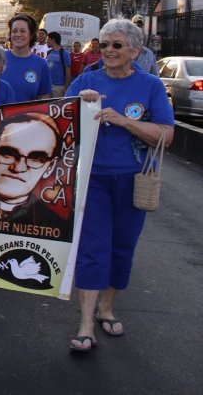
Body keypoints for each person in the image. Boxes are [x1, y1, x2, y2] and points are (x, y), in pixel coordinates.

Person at [65, 19, 174, 354]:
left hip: (133, 179)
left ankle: (106, 307)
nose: (108, 51)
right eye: (103, 45)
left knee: (122, 247)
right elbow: (58, 122)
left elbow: (166, 136)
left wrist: (125, 121)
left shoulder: (151, 86)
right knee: (92, 248)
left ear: (134, 51)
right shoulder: (86, 80)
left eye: (116, 45)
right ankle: (85, 325)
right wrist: (79, 106)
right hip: (93, 179)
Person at [0, 112, 70, 238]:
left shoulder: (55, 225)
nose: (19, 167)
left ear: (50, 168)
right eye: (8, 153)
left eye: (36, 158)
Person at [1, 14, 52, 103]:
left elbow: (44, 99)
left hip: (28, 116)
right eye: (14, 31)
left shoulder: (41, 64)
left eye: (23, 31)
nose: (18, 34)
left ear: (31, 35)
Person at [46, 31, 72, 97]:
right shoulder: (49, 52)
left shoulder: (64, 53)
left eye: (48, 39)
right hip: (48, 85)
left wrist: (66, 88)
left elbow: (68, 71)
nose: (47, 41)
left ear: (53, 40)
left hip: (59, 87)